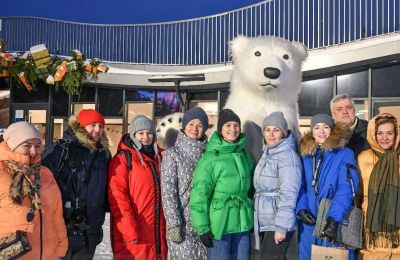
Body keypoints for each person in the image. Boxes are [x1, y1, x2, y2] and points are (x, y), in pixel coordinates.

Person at [42, 109, 111, 260]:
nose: (97, 130)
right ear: (80, 126)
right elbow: (42, 184)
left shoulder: (103, 154)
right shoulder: (61, 149)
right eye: (92, 125)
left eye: (101, 126)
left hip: (90, 231)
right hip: (63, 229)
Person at [190, 108, 254, 260]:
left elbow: (250, 187)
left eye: (236, 125)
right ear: (220, 129)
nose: (233, 129)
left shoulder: (244, 154)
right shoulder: (210, 158)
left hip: (242, 220)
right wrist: (202, 227)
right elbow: (200, 193)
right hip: (220, 222)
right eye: (228, 126)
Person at [0, 121, 67, 259]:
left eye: (37, 146)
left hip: (47, 253)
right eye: (27, 145)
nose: (33, 151)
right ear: (12, 145)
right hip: (13, 253)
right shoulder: (2, 172)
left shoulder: (45, 173)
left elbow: (56, 214)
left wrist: (61, 246)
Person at [296, 114, 359, 260]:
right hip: (309, 222)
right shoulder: (306, 155)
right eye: (317, 127)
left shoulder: (344, 154)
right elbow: (299, 186)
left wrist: (333, 219)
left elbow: (346, 188)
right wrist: (301, 208)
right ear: (312, 131)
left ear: (332, 130)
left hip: (333, 222)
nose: (321, 131)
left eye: (325, 127)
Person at [108, 115, 167, 260]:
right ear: (133, 134)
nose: (145, 137)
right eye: (140, 133)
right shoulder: (123, 159)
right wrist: (128, 229)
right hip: (134, 232)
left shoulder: (159, 158)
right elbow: (118, 197)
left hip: (157, 233)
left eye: (149, 133)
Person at [161, 107, 209, 260]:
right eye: (191, 124)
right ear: (184, 126)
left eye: (199, 125)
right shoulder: (173, 154)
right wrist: (174, 223)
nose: (195, 129)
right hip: (183, 226)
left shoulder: (208, 154)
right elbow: (168, 191)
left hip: (205, 226)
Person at [253, 112, 302, 260]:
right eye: (268, 129)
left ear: (283, 133)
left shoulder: (287, 156)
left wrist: (282, 226)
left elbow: (289, 192)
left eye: (276, 130)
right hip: (267, 220)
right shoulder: (269, 153)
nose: (271, 134)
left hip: (277, 222)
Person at [357, 113, 400, 259]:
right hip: (372, 231)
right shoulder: (363, 158)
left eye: (390, 133)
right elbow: (357, 193)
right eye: (380, 133)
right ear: (373, 134)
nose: (384, 138)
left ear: (396, 134)